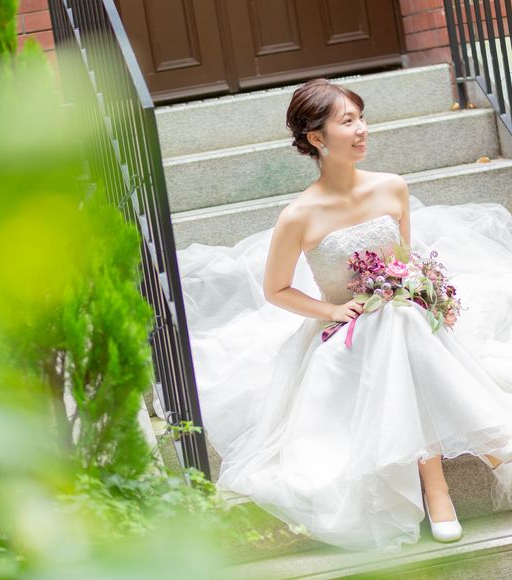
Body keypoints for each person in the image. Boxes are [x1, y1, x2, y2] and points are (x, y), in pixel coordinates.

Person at [176, 78, 512, 553]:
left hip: (405, 321)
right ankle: (475, 465)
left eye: (361, 118)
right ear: (317, 138)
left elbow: (405, 265)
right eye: (348, 122)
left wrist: (431, 298)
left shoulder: (392, 188)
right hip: (346, 338)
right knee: (395, 323)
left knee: (401, 319)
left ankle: (438, 485)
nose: (362, 130)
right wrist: (333, 309)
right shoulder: (299, 215)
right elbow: (276, 290)